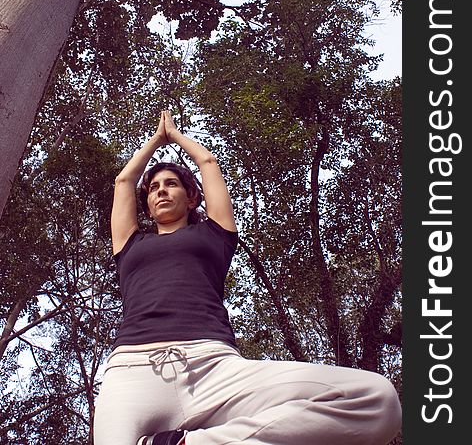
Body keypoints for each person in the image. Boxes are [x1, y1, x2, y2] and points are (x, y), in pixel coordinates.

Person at [93, 111, 402, 445]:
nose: (161, 191)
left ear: (192, 197)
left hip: (212, 367)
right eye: (153, 188)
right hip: (133, 372)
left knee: (377, 400)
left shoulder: (215, 233)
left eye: (171, 184)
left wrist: (177, 136)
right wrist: (155, 141)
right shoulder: (130, 244)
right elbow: (123, 182)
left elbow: (208, 163)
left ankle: (187, 443)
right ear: (148, 204)